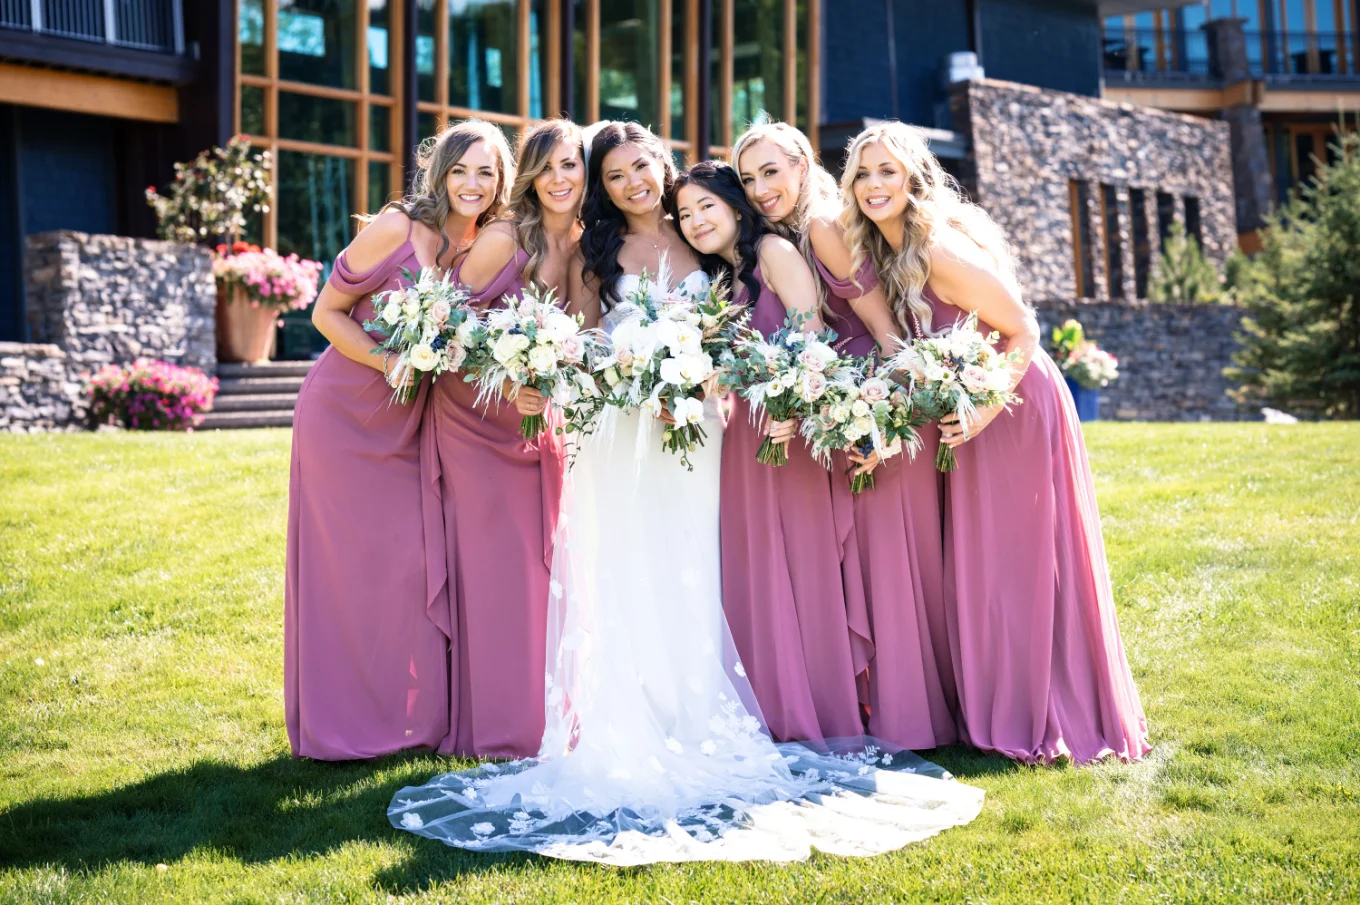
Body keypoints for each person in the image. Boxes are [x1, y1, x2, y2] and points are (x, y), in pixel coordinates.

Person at [387, 125, 985, 865]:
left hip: (700, 430)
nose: (632, 181)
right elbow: (578, 332)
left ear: (661, 166)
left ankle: (697, 706)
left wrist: (701, 372)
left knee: (696, 563)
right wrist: (579, 374)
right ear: (603, 189)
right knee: (627, 564)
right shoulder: (593, 249)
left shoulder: (703, 231)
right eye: (614, 175)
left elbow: (736, 320)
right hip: (620, 429)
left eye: (641, 166)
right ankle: (629, 715)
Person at [841, 121, 1150, 764]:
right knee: (981, 561)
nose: (874, 185)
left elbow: (1024, 330)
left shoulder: (938, 249)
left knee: (1017, 561)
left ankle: (1045, 707)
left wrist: (983, 410)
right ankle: (994, 701)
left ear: (913, 178)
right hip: (969, 404)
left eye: (887, 172)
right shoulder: (882, 249)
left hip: (1013, 400)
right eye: (863, 174)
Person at [284, 120, 508, 759]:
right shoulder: (395, 227)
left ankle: (401, 718)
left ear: (501, 182)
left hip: (411, 424)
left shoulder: (480, 243)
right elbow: (324, 312)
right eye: (461, 169)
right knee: (346, 574)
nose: (472, 183)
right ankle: (340, 726)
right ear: (438, 171)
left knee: (405, 570)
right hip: (344, 416)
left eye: (486, 172)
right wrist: (386, 362)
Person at [735, 121, 959, 750]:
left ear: (804, 165)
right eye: (749, 179)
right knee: (859, 566)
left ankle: (911, 717)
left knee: (886, 562)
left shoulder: (821, 229)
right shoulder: (786, 236)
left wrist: (886, 417)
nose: (759, 188)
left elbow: (885, 329)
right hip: (835, 404)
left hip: (871, 403)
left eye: (771, 171)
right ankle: (882, 710)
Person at [670, 160, 867, 744]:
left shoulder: (775, 253)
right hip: (741, 440)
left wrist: (784, 409)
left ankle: (817, 707)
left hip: (789, 431)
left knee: (801, 567)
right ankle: (768, 705)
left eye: (706, 205)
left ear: (735, 205)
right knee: (753, 567)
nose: (696, 220)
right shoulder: (717, 282)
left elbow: (810, 337)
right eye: (684, 213)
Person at [421, 119, 578, 759]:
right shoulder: (505, 237)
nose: (559, 180)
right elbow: (442, 329)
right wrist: (508, 379)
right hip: (476, 415)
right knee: (497, 564)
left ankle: (545, 710)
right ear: (529, 177)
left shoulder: (583, 240)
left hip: (539, 414)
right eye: (546, 167)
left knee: (544, 560)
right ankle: (499, 724)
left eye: (571, 166)